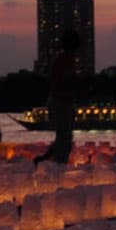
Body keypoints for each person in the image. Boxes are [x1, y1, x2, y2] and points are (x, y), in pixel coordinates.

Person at [34, 28, 81, 165]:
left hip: (61, 101)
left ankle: (48, 159)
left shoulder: (65, 60)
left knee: (64, 136)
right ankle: (57, 165)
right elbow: (64, 82)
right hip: (61, 101)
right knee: (65, 137)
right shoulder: (64, 61)